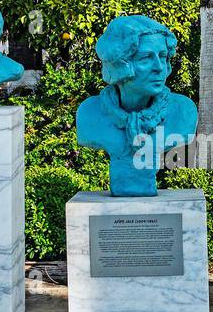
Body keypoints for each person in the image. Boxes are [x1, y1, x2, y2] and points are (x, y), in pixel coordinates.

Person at [76, 15, 197, 197]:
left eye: (163, 56)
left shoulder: (183, 112)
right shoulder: (89, 114)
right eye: (146, 58)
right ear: (120, 65)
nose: (159, 67)